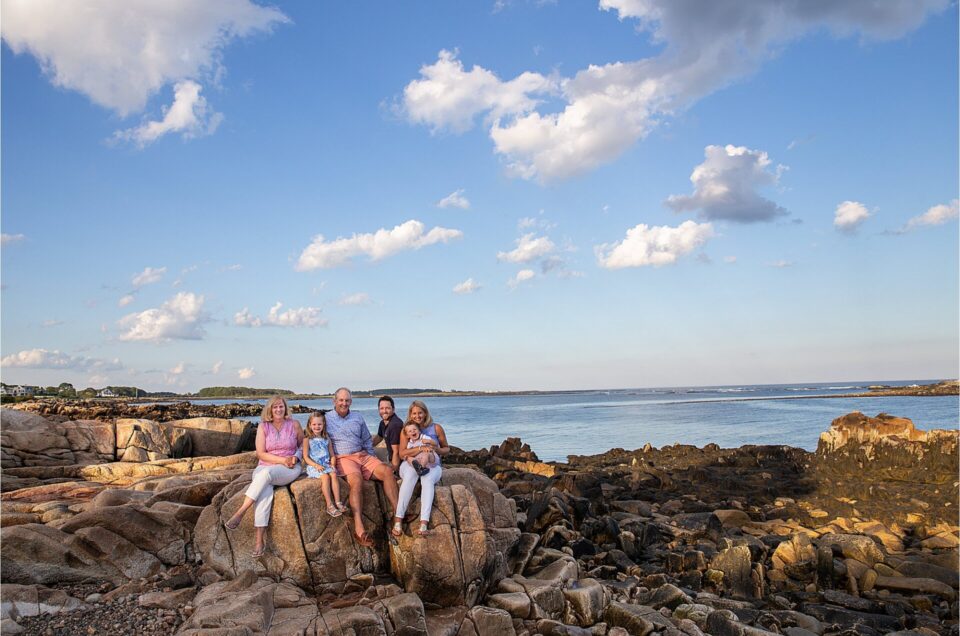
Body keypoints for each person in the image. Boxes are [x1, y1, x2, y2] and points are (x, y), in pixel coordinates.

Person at [224, 395, 303, 557]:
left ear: (285, 408)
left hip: (289, 468)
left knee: (265, 475)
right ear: (270, 410)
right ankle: (259, 542)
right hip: (266, 466)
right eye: (275, 407)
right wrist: (282, 459)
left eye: (281, 406)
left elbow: (302, 445)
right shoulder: (263, 427)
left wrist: (296, 456)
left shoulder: (294, 424)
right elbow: (260, 454)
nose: (279, 410)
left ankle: (241, 511)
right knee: (264, 490)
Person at [325, 387, 399, 547]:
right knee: (356, 481)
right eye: (341, 400)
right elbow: (314, 437)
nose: (344, 403)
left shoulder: (357, 417)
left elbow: (366, 439)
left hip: (363, 455)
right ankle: (359, 529)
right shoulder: (326, 419)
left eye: (347, 400)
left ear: (351, 401)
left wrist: (371, 456)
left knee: (387, 471)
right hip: (343, 458)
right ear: (334, 401)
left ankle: (398, 516)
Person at [392, 400, 449, 538]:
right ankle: (398, 520)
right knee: (411, 475)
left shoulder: (436, 428)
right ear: (410, 415)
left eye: (420, 413)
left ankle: (424, 523)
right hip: (410, 463)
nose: (417, 416)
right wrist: (419, 449)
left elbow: (446, 448)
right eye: (414, 413)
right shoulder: (406, 430)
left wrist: (435, 449)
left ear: (425, 413)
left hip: (432, 463)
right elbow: (402, 453)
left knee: (427, 479)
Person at [302, 411, 347, 517]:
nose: (317, 427)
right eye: (314, 424)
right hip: (314, 466)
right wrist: (315, 465)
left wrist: (333, 464)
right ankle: (329, 505)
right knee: (325, 477)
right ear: (309, 425)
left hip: (326, 464)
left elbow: (332, 454)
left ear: (323, 425)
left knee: (334, 474)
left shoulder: (326, 438)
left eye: (319, 424)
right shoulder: (307, 439)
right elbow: (305, 457)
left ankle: (338, 502)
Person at [372, 395, 404, 469]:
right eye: (381, 408)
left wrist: (394, 470)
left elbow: (396, 451)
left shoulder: (395, 425)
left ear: (393, 409)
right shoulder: (383, 423)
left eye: (387, 408)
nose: (384, 411)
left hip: (398, 462)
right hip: (389, 455)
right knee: (369, 452)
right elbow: (379, 438)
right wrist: (367, 446)